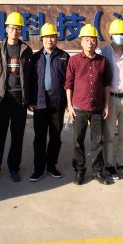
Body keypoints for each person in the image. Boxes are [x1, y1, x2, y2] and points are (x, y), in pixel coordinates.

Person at [0, 11, 33, 183]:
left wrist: (28, 99)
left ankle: (14, 168)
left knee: (17, 136)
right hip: (2, 99)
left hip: (19, 100)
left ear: (21, 30)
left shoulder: (26, 50)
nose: (15, 31)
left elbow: (30, 75)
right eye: (12, 28)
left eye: (18, 28)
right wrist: (0, 87)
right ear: (6, 29)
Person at [65, 24, 113, 185]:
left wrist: (107, 105)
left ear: (96, 42)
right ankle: (79, 171)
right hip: (79, 107)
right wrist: (69, 105)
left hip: (98, 108)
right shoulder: (74, 61)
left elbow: (107, 84)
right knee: (77, 141)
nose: (90, 42)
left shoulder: (103, 62)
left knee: (98, 141)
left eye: (93, 39)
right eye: (87, 39)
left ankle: (98, 172)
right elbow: (68, 84)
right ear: (81, 42)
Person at [29, 22, 70, 181]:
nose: (49, 40)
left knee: (55, 136)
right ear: (42, 39)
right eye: (46, 37)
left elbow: (69, 81)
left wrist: (68, 103)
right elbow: (31, 80)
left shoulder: (64, 56)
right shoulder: (36, 57)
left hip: (57, 102)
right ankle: (39, 169)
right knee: (39, 137)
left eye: (52, 36)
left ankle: (52, 166)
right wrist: (30, 100)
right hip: (40, 102)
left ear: (56, 38)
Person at [99, 19, 123, 180]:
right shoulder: (103, 52)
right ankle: (108, 165)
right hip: (111, 98)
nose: (120, 36)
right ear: (110, 36)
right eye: (116, 34)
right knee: (108, 136)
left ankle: (122, 164)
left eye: (122, 33)